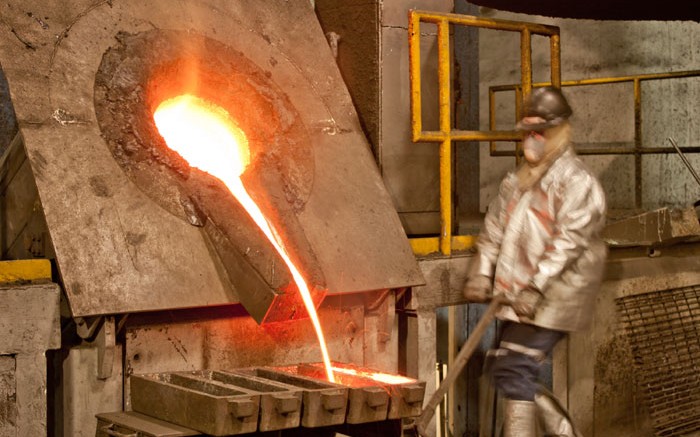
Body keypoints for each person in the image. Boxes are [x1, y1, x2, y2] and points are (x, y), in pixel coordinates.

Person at [463, 86, 607, 436]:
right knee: (504, 367)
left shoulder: (577, 182)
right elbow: (494, 229)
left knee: (514, 369)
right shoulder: (517, 180)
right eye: (528, 131)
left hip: (556, 295)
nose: (532, 138)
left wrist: (536, 287)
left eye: (539, 131)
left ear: (559, 131)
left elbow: (568, 243)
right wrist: (482, 272)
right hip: (520, 297)